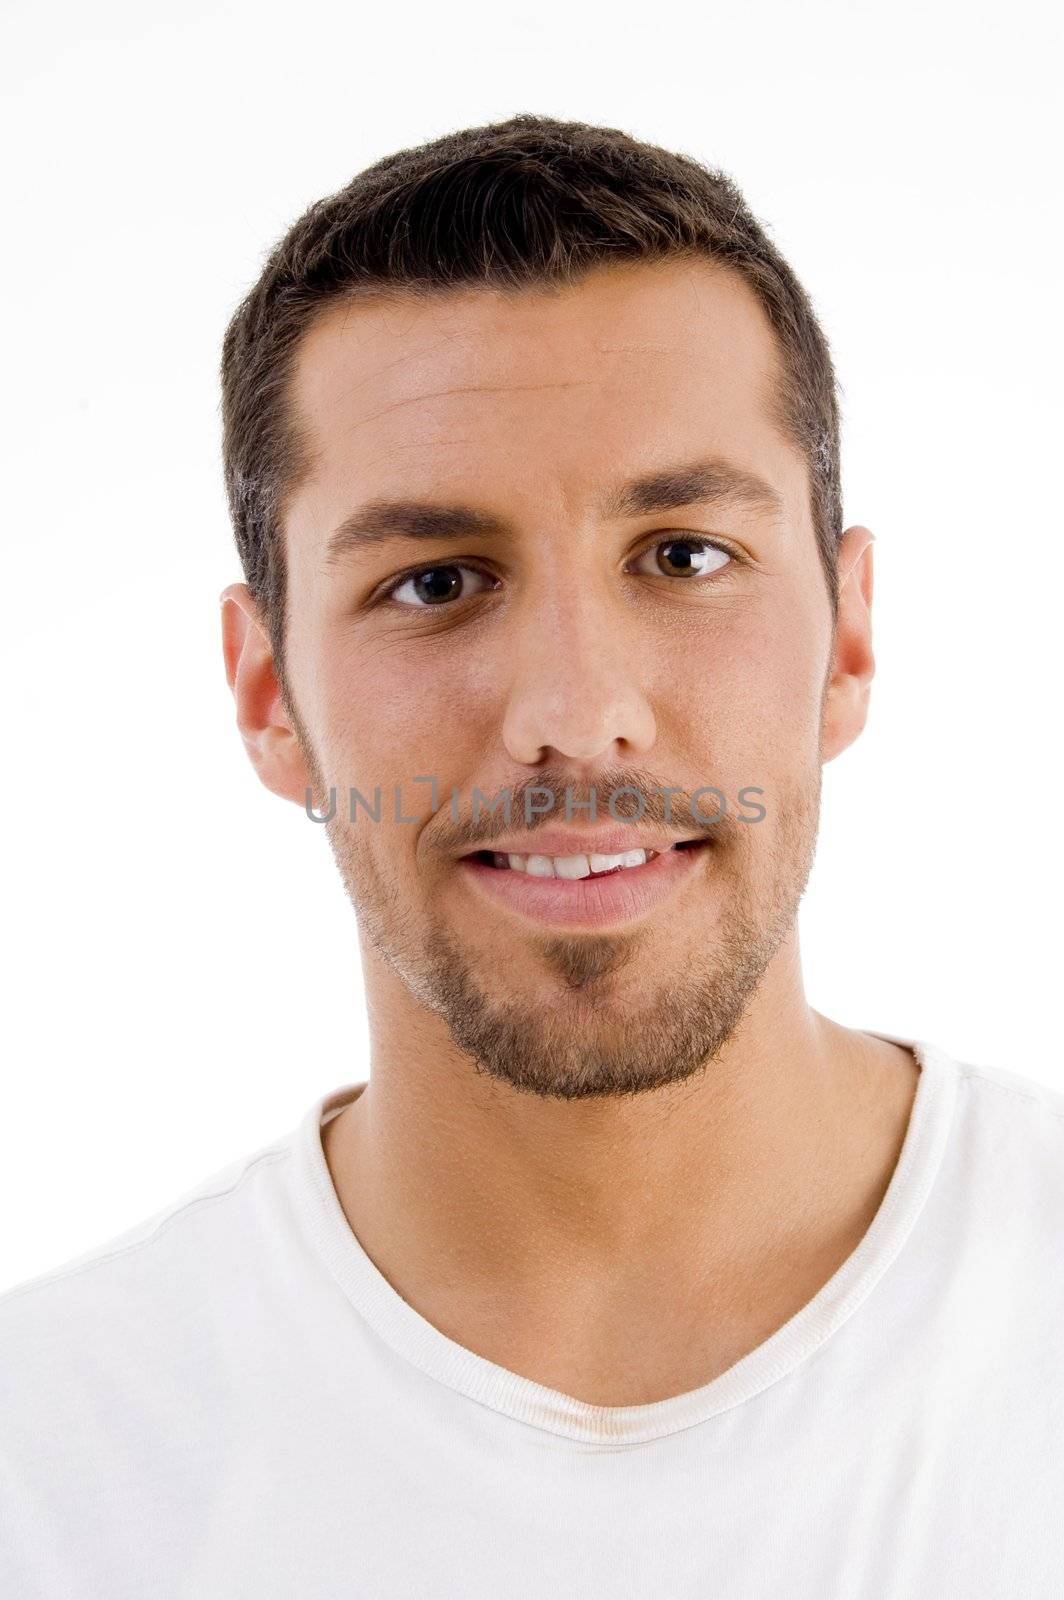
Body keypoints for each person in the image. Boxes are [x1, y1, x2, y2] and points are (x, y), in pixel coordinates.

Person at [2, 112, 1061, 1599]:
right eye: (434, 582)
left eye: (684, 555)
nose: (577, 717)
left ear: (851, 635)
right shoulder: (48, 1465)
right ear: (268, 697)